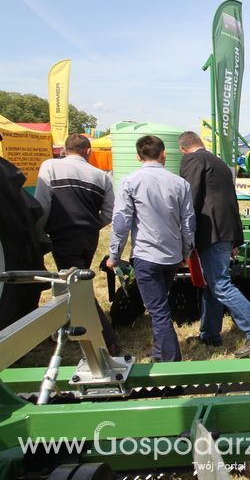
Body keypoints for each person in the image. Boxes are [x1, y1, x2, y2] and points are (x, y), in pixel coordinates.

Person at [178, 131, 250, 358]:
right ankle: (210, 334)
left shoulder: (192, 160)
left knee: (220, 285)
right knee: (213, 285)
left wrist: (183, 233)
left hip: (209, 231)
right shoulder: (219, 162)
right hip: (225, 230)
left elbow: (190, 198)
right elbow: (230, 200)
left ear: (183, 149)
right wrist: (235, 240)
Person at [106, 136, 195, 362]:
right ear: (163, 154)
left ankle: (170, 362)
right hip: (172, 256)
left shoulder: (129, 182)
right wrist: (186, 252)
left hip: (147, 256)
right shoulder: (180, 183)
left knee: (158, 311)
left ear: (138, 156)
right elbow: (188, 223)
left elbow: (121, 222)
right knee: (159, 305)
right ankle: (160, 351)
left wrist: (114, 255)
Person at [35, 133, 119, 354]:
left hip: (63, 235)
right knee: (76, 281)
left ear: (64, 149)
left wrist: (40, 232)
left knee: (77, 286)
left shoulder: (50, 167)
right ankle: (69, 327)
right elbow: (110, 212)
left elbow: (42, 203)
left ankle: (107, 338)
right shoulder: (101, 176)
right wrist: (92, 225)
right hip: (89, 238)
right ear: (88, 151)